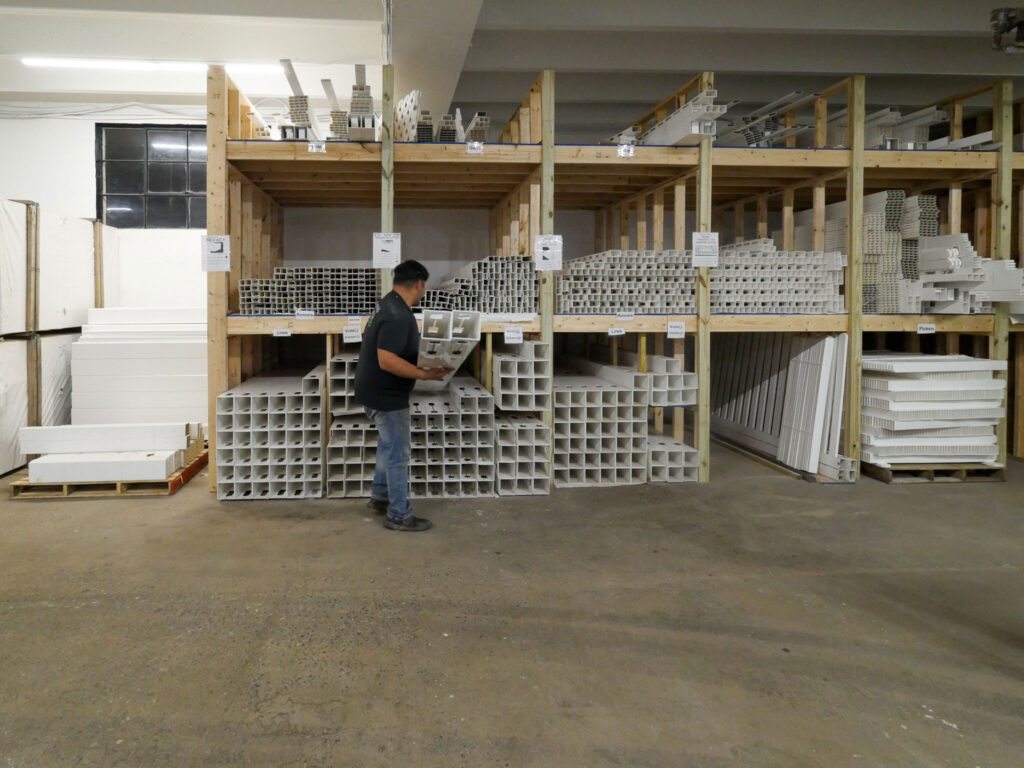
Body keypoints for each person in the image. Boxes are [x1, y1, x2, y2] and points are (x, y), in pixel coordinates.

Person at [354, 260, 449, 532]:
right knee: (397, 453)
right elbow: (387, 360)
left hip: (373, 390)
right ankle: (399, 515)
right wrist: (425, 375)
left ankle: (381, 497)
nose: (424, 291)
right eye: (424, 286)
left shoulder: (388, 303)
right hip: (386, 394)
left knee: (387, 447)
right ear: (419, 284)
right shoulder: (398, 315)